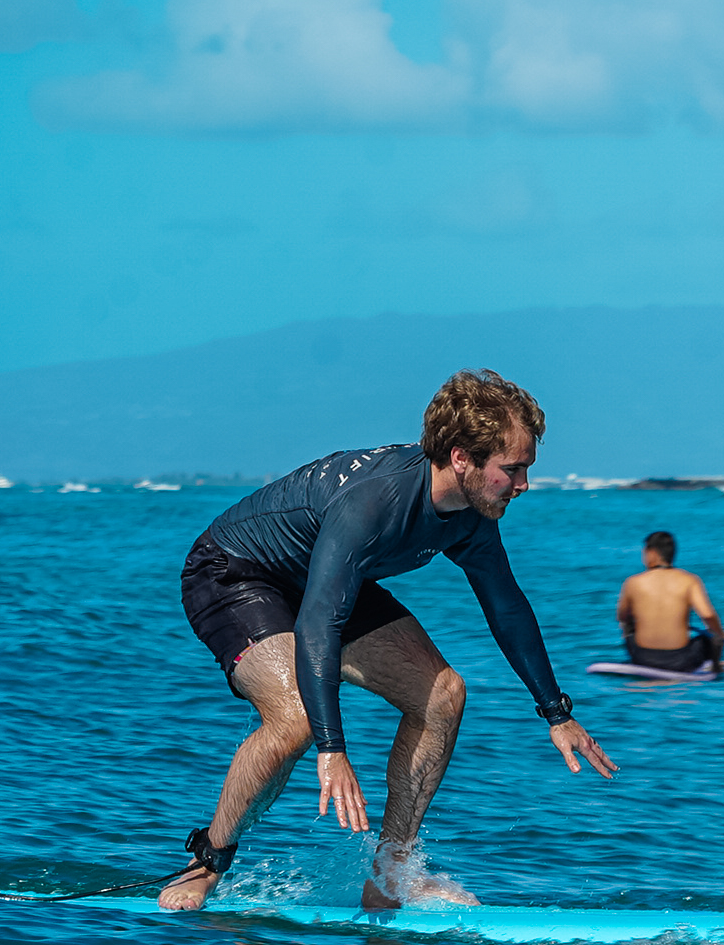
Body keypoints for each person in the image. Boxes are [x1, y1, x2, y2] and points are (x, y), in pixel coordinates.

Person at [158, 369, 617, 913]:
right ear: (461, 457)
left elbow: (506, 604)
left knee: (443, 693)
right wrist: (332, 749)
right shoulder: (373, 504)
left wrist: (555, 712)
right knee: (297, 720)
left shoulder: (471, 516)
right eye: (512, 470)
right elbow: (317, 626)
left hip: (326, 579)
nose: (523, 485)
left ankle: (390, 874)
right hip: (237, 573)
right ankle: (207, 859)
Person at [614, 530, 724, 674]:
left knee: (627, 625)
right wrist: (721, 635)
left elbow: (622, 617)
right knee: (711, 637)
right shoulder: (690, 580)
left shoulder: (632, 582)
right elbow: (708, 615)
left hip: (641, 658)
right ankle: (717, 666)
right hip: (680, 661)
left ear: (652, 553)